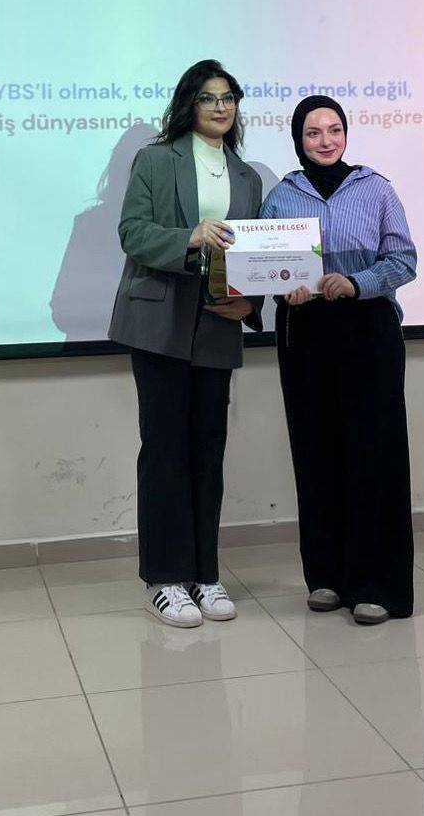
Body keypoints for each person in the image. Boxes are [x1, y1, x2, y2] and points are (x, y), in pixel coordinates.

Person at [109, 60, 264, 628]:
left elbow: (256, 255)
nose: (220, 107)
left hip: (217, 324)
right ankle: (165, 578)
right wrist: (190, 236)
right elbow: (132, 233)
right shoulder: (155, 159)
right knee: (165, 450)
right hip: (158, 323)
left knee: (207, 451)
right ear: (188, 104)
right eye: (208, 98)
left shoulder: (248, 176)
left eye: (228, 98)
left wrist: (251, 305)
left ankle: (205, 574)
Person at [259, 95, 417, 624]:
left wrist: (356, 282)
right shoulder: (281, 196)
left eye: (334, 130)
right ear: (297, 140)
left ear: (346, 135)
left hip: (367, 329)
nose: (325, 141)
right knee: (315, 451)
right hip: (305, 333)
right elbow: (265, 267)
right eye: (313, 133)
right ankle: (325, 576)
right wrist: (283, 288)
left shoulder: (376, 189)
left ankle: (378, 586)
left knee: (374, 454)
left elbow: (404, 260)